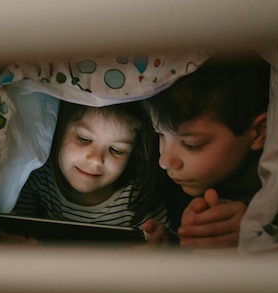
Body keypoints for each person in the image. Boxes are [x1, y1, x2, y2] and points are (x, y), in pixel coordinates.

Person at [144, 53, 271, 248]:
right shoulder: (171, 188)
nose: (164, 161)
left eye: (191, 144)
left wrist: (258, 233)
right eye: (159, 135)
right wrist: (172, 246)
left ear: (259, 132)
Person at [12, 99, 170, 242]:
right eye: (84, 139)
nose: (96, 160)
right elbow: (17, 226)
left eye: (116, 150)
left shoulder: (138, 195)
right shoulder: (40, 174)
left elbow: (166, 246)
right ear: (58, 130)